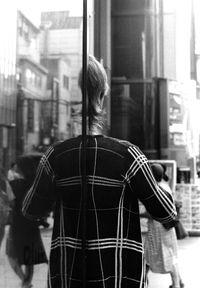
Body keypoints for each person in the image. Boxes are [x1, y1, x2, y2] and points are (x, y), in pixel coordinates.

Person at [22, 55, 177, 288]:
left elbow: (30, 209)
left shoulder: (55, 157)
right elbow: (166, 212)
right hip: (120, 277)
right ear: (103, 95)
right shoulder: (129, 156)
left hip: (69, 277)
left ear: (78, 93)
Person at [6, 154, 48, 288]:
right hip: (30, 224)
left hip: (17, 224)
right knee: (29, 258)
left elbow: (11, 203)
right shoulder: (35, 185)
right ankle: (27, 282)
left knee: (11, 255)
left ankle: (25, 282)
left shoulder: (13, 184)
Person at [143, 163, 184, 288]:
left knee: (161, 254)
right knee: (155, 254)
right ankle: (178, 282)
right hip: (165, 227)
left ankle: (176, 284)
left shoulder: (156, 190)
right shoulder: (164, 186)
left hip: (158, 227)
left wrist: (140, 214)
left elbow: (153, 213)